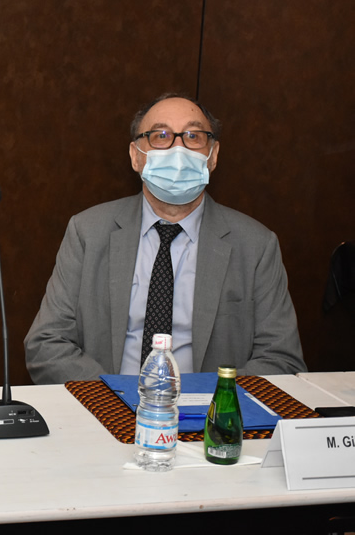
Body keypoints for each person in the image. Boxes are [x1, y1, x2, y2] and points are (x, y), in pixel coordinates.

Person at [24, 93, 306, 384]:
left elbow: (281, 359)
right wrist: (115, 399)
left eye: (193, 136)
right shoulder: (88, 231)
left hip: (208, 408)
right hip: (106, 403)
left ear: (213, 156)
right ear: (136, 156)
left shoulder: (256, 245)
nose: (178, 149)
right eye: (161, 136)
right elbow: (46, 344)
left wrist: (202, 401)